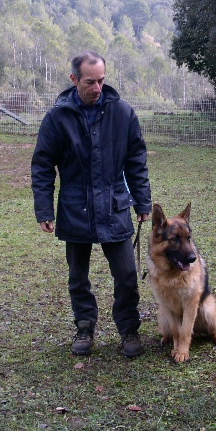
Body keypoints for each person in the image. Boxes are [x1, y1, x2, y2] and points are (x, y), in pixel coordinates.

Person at [31, 51, 152, 358]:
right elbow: (43, 165)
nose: (97, 87)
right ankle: (84, 327)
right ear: (74, 80)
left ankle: (128, 330)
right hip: (75, 207)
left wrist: (142, 201)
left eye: (101, 80)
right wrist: (44, 209)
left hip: (114, 205)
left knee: (126, 274)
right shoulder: (57, 117)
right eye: (89, 81)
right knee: (78, 276)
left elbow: (136, 161)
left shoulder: (123, 113)